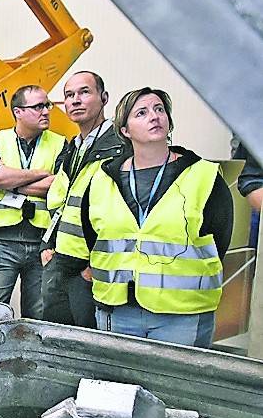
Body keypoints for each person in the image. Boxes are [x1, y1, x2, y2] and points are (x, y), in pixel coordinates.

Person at [64, 87, 234, 347]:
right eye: (141, 113)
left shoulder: (203, 176)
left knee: (175, 386)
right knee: (120, 387)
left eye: (159, 110)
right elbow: (93, 238)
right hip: (117, 310)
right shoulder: (102, 178)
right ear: (125, 130)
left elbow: (219, 240)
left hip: (182, 314)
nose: (154, 117)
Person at [0, 84, 63, 318]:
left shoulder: (62, 143)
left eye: (47, 105)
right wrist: (41, 173)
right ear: (18, 112)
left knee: (39, 318)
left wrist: (11, 179)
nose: (45, 111)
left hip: (43, 243)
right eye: (38, 106)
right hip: (1, 241)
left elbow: (60, 185)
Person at [44, 71, 124, 328]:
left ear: (104, 98)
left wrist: (91, 270)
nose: (75, 100)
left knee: (87, 346)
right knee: (56, 342)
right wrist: (48, 246)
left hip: (90, 270)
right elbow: (63, 203)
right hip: (60, 262)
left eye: (84, 92)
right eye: (69, 95)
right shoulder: (73, 147)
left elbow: (122, 214)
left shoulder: (120, 147)